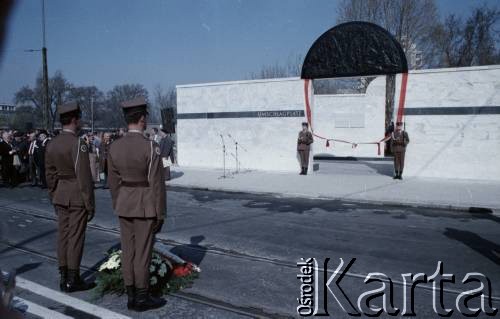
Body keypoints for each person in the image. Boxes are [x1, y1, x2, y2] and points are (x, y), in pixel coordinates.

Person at [107, 97, 166, 312]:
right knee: (142, 253)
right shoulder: (151, 147)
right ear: (142, 119)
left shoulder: (114, 146)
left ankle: (131, 294)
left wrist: (119, 201)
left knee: (128, 250)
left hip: (124, 203)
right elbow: (157, 184)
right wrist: (160, 213)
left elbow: (112, 182)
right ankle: (142, 298)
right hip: (144, 205)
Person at [44, 102, 95, 292]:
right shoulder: (78, 143)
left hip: (60, 194)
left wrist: (54, 194)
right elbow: (83, 177)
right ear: (74, 119)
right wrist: (89, 203)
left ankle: (64, 276)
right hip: (76, 196)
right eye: (79, 118)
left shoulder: (52, 143)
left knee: (63, 236)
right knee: (75, 238)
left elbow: (49, 175)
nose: (80, 121)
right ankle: (73, 279)